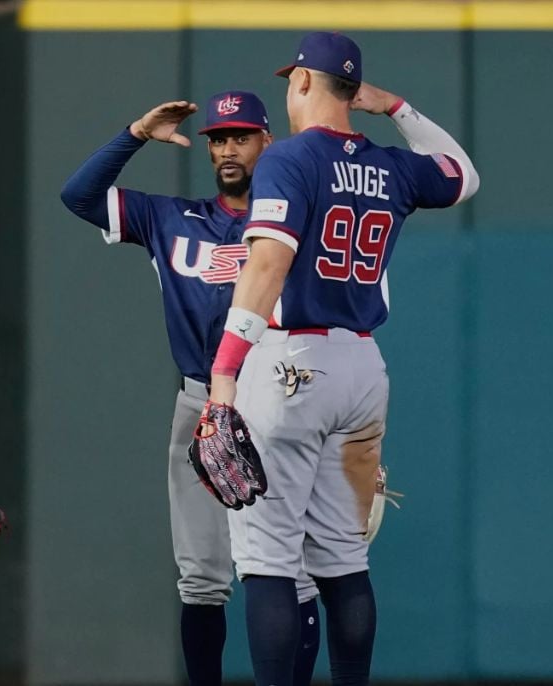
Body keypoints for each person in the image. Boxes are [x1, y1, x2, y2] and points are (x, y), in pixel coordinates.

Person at [202, 32, 480, 686]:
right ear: (355, 91)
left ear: (302, 81)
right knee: (343, 561)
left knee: (269, 560)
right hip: (361, 369)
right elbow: (464, 174)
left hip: (290, 361)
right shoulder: (391, 166)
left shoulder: (289, 157)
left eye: (291, 79)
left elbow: (267, 265)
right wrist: (398, 108)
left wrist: (224, 372)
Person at [60, 92, 322, 686]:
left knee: (295, 571)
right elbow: (78, 196)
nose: (227, 149)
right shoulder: (171, 218)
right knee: (202, 577)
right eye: (218, 139)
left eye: (241, 137)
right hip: (201, 401)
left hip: (280, 397)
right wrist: (135, 132)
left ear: (267, 142)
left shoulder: (294, 219)